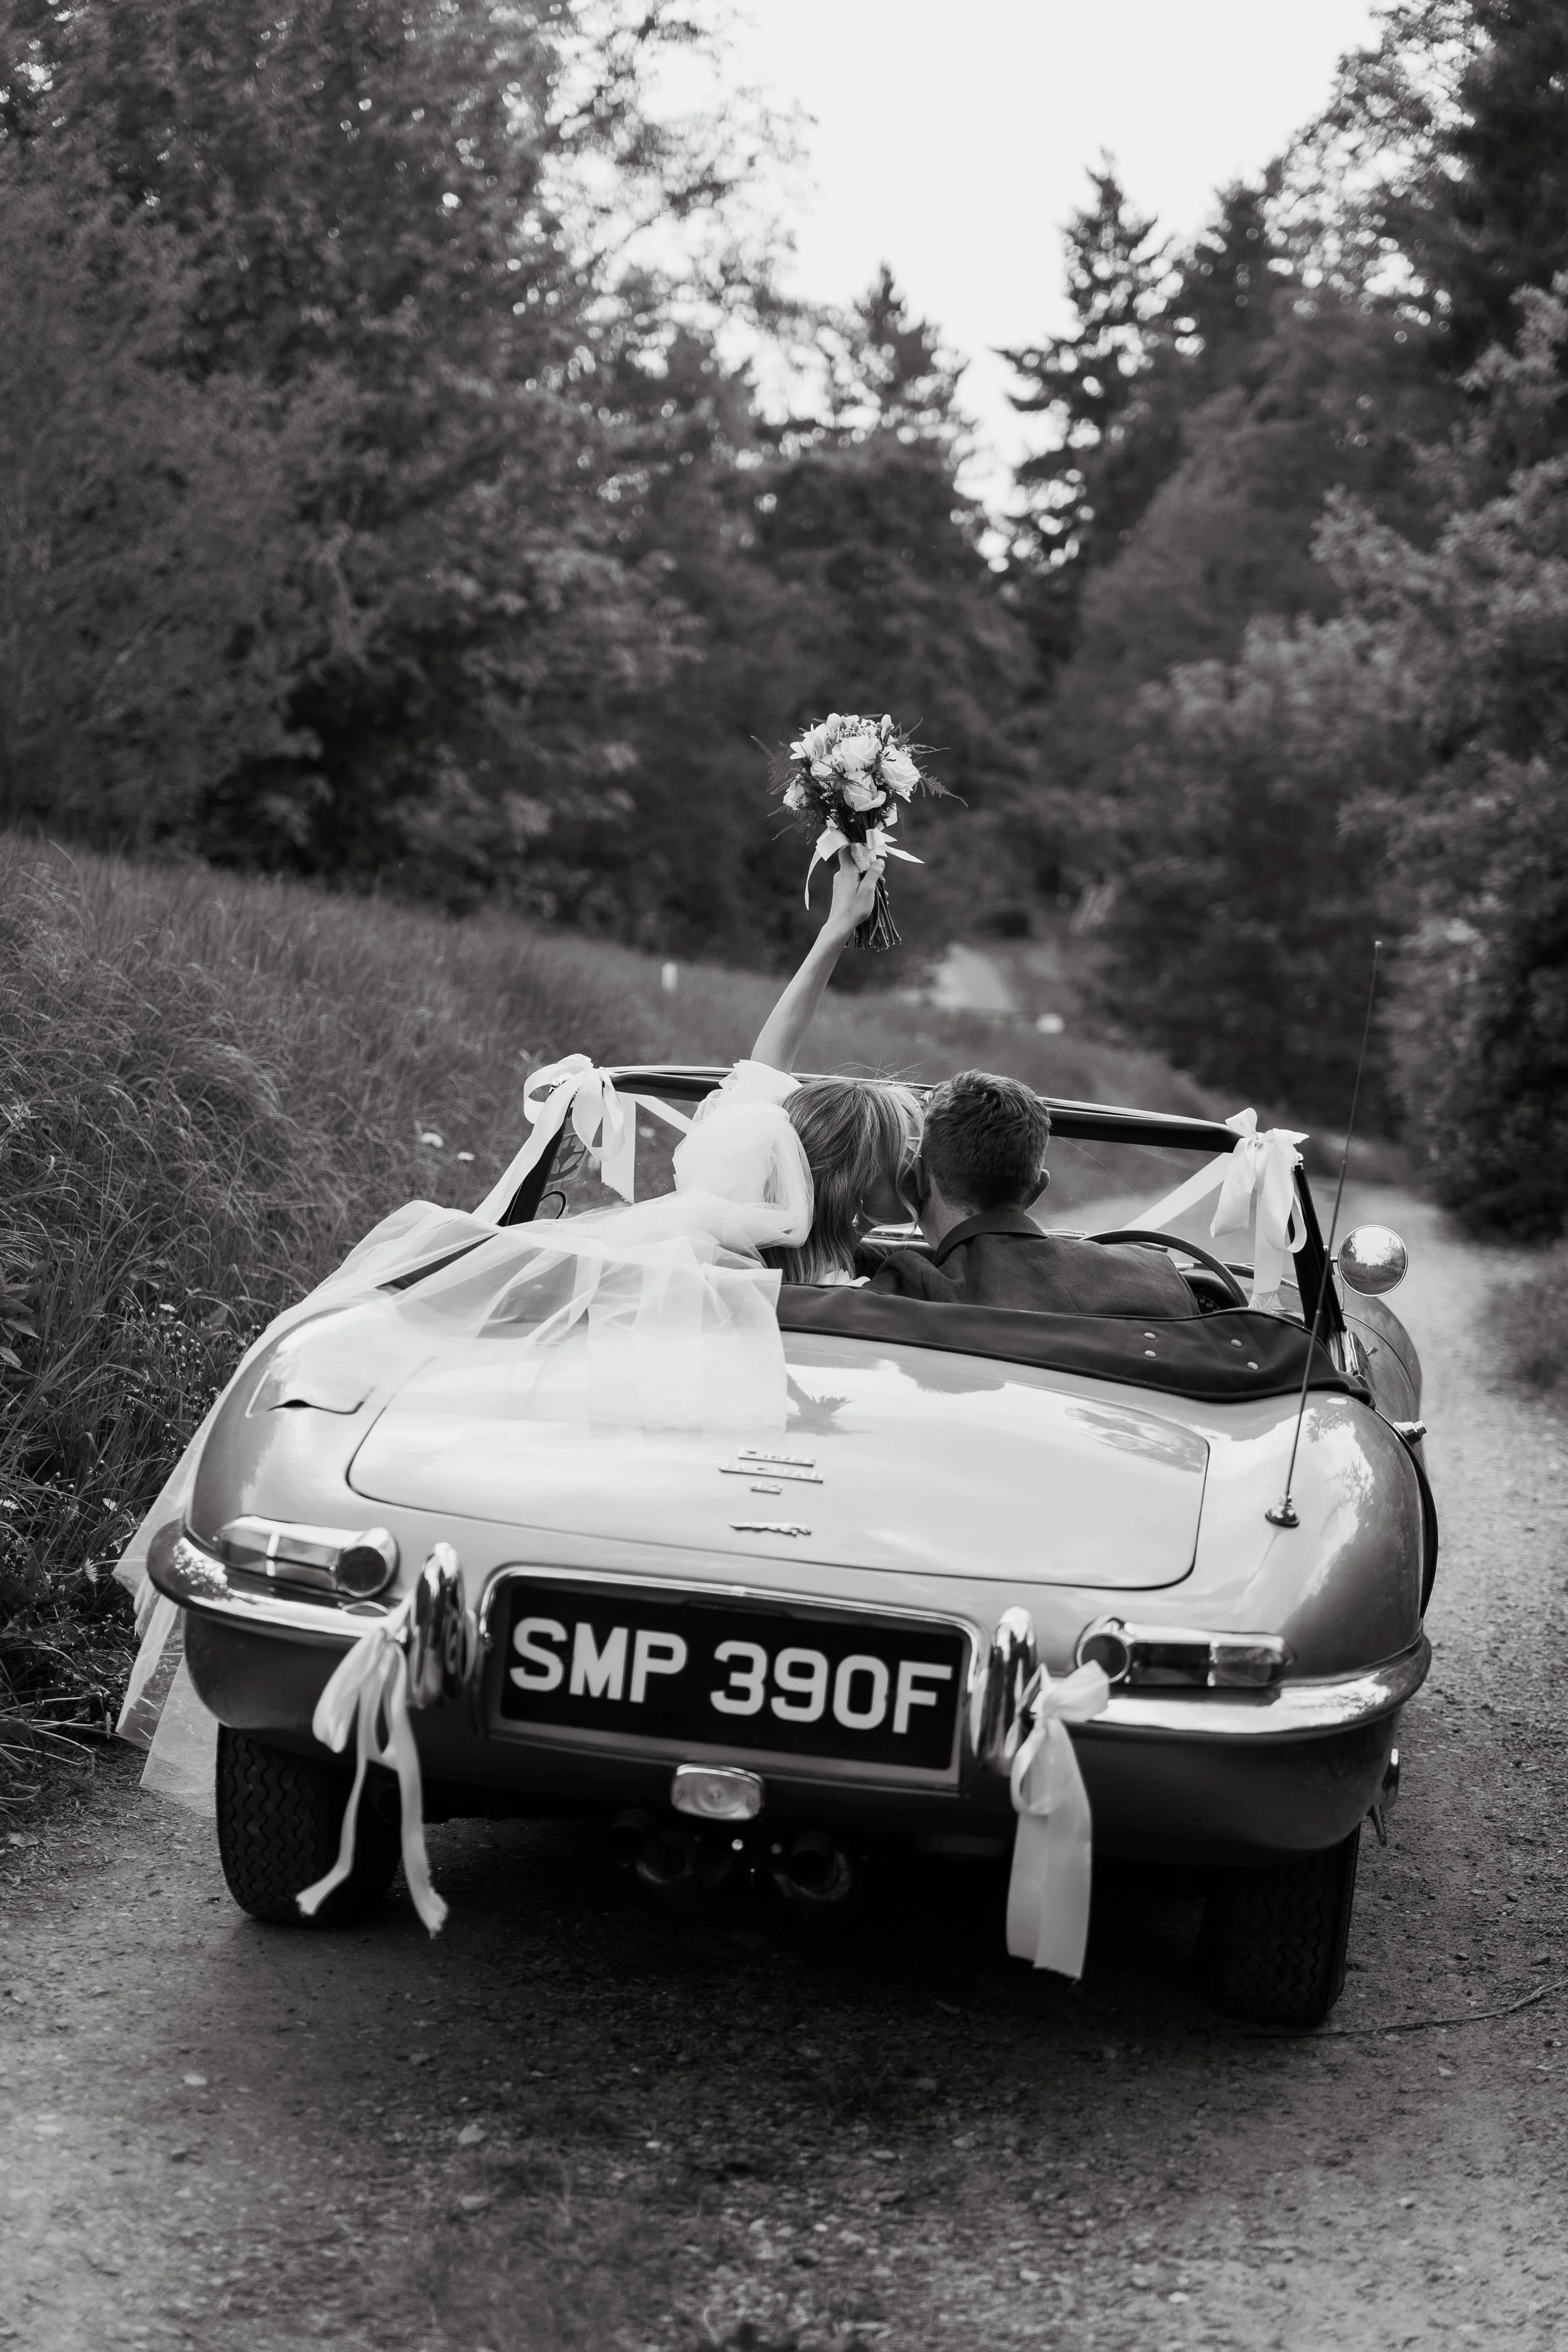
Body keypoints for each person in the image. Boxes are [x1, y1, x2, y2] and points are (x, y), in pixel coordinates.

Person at [865, 1068, 1194, 1317]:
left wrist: (856, 1222)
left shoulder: (907, 1288)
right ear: (1036, 1189)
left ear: (920, 1179)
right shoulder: (1152, 1279)